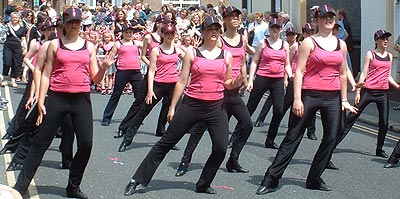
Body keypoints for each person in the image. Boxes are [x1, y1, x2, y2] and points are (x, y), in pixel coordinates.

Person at [123, 15, 241, 195]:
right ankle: (137, 179)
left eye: (217, 29)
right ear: (203, 32)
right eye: (210, 29)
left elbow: (227, 82)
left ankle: (203, 183)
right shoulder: (192, 53)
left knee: (220, 148)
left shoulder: (227, 55)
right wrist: (172, 107)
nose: (214, 32)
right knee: (166, 142)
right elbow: (182, 80)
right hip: (192, 104)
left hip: (216, 107)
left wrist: (236, 83)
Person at [13, 7, 114, 198]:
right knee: (40, 142)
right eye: (70, 22)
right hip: (57, 98)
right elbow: (45, 74)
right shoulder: (54, 45)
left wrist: (105, 68)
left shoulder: (89, 47)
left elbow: (96, 79)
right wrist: (41, 101)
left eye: (77, 22)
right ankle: (21, 186)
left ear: (80, 24)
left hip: (81, 100)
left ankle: (73, 186)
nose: (74, 25)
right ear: (64, 24)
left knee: (86, 144)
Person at [256, 5, 357, 195]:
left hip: (333, 96)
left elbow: (343, 73)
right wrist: (296, 99)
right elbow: (299, 72)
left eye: (331, 17)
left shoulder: (341, 45)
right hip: (309, 94)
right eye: (324, 17)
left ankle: (314, 178)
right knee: (293, 137)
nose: (328, 20)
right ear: (317, 20)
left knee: (332, 136)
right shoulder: (309, 43)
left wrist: (344, 99)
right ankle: (271, 179)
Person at [174, 6, 253, 177]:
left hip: (233, 90)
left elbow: (243, 62)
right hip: (217, 92)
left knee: (247, 124)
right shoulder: (218, 40)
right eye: (232, 16)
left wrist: (245, 80)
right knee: (199, 128)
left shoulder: (243, 38)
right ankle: (185, 160)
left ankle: (233, 160)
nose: (236, 19)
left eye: (238, 16)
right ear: (224, 20)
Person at [332, 29, 400, 168]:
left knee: (384, 123)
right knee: (351, 118)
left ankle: (379, 149)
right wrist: (358, 91)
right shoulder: (371, 54)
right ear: (376, 41)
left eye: (387, 38)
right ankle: (332, 145)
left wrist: (397, 86)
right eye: (382, 38)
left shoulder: (389, 56)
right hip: (368, 91)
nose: (385, 40)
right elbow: (364, 73)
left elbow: (387, 75)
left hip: (383, 93)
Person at [118, 22, 185, 152]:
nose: (170, 36)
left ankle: (169, 141)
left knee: (173, 114)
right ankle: (127, 140)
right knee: (143, 112)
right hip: (159, 84)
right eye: (167, 34)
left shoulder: (177, 49)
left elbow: (191, 60)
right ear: (163, 35)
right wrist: (149, 90)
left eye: (172, 33)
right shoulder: (156, 50)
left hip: (173, 85)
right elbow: (152, 70)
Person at [115, 14, 172, 138]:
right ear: (158, 23)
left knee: (167, 102)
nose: (166, 25)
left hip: (166, 75)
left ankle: (161, 129)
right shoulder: (149, 37)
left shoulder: (169, 37)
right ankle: (124, 127)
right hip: (152, 73)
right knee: (140, 100)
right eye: (164, 23)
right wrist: (152, 65)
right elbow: (143, 56)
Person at [242, 18, 292, 149]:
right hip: (262, 78)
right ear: (269, 29)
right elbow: (254, 61)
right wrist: (251, 80)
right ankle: (237, 135)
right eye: (272, 27)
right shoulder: (262, 43)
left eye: (277, 27)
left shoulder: (285, 45)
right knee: (250, 108)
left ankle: (270, 139)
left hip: (278, 80)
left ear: (281, 29)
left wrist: (290, 76)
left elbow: (287, 64)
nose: (275, 30)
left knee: (279, 110)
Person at [101, 24, 143, 126]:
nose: (129, 34)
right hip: (122, 71)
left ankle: (136, 117)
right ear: (123, 33)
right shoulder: (118, 44)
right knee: (116, 94)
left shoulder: (136, 43)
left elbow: (149, 45)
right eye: (126, 32)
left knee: (140, 95)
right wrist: (106, 66)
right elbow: (111, 55)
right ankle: (106, 117)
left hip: (135, 72)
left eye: (130, 32)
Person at [2, 12, 27, 88]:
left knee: (16, 63)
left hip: (17, 47)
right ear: (11, 18)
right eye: (13, 17)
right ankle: (4, 78)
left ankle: (13, 80)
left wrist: (25, 48)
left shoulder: (22, 28)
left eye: (16, 17)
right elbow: (3, 35)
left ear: (18, 18)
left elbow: (23, 39)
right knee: (7, 62)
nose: (15, 19)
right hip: (8, 46)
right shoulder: (7, 26)